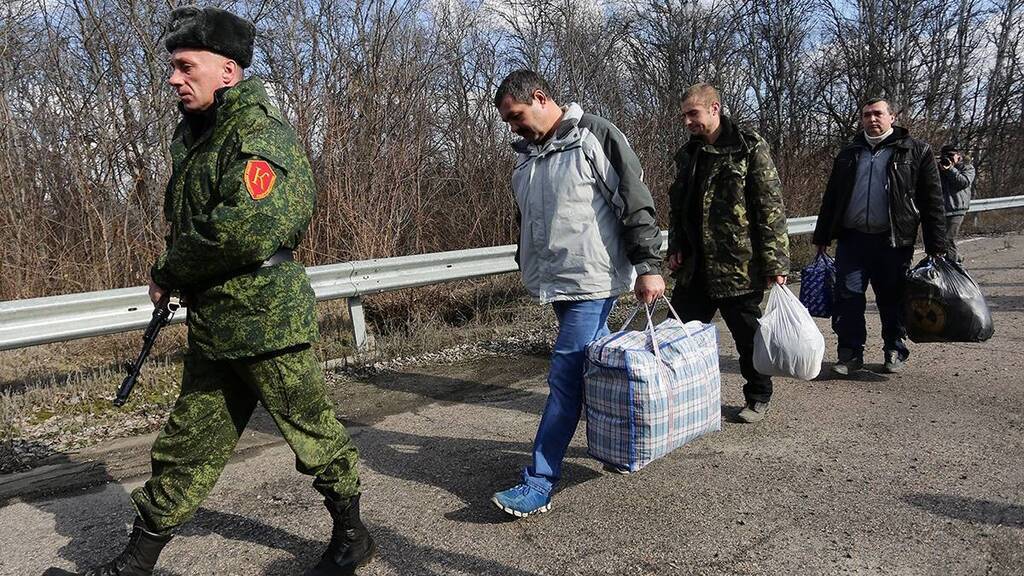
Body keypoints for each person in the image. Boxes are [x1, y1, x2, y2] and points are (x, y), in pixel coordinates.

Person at [78, 7, 374, 576]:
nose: (173, 80)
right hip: (217, 319)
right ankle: (135, 562)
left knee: (312, 433)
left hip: (264, 318)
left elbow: (248, 226)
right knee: (188, 442)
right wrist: (183, 275)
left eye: (186, 67)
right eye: (172, 67)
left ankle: (353, 534)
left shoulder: (256, 132)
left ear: (229, 71)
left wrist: (170, 268)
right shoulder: (196, 136)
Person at [490, 69, 665, 517]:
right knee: (595, 371)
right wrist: (524, 261)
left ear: (540, 97)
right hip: (557, 283)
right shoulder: (526, 158)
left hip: (593, 279)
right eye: (508, 121)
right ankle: (627, 440)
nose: (513, 127)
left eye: (517, 115)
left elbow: (634, 200)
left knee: (564, 378)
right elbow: (527, 219)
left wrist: (648, 266)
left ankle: (539, 482)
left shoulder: (594, 137)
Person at [666, 83, 790, 424]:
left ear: (715, 108)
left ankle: (758, 396)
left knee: (747, 336)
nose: (688, 122)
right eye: (684, 116)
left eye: (693, 114)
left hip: (738, 263)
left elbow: (769, 206)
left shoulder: (747, 147)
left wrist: (776, 261)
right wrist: (676, 247)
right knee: (676, 335)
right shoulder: (689, 154)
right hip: (696, 266)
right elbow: (679, 208)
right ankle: (676, 397)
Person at [813, 97, 945, 376]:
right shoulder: (850, 153)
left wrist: (936, 244)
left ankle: (894, 349)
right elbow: (832, 197)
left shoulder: (915, 151)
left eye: (878, 114)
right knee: (847, 296)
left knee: (892, 297)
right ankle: (850, 354)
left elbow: (932, 201)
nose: (872, 119)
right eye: (866, 115)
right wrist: (822, 235)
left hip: (893, 240)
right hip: (853, 238)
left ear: (892, 117)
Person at [938, 144, 976, 262]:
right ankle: (957, 258)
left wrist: (950, 169)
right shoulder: (939, 169)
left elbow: (963, 183)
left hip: (957, 209)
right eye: (945, 156)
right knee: (939, 241)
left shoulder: (967, 168)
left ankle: (954, 267)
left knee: (948, 239)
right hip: (941, 209)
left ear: (958, 156)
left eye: (951, 155)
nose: (948, 158)